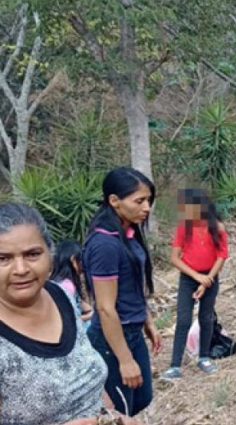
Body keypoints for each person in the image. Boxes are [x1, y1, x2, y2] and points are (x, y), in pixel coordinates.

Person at [0, 203, 140, 425]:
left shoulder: (60, 296)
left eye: (32, 254)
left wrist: (112, 417)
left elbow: (87, 375)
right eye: (3, 259)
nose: (21, 269)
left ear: (50, 255)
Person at [83, 167, 161, 416]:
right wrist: (125, 360)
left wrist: (146, 320)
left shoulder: (128, 234)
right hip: (112, 339)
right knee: (120, 411)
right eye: (139, 201)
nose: (147, 207)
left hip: (132, 330)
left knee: (141, 398)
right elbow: (105, 308)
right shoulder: (104, 244)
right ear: (114, 201)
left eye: (148, 200)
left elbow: (134, 284)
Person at [162, 188, 229, 380]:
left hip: (210, 277)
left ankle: (204, 357)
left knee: (206, 318)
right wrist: (197, 277)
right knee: (183, 319)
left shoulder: (217, 227)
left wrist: (207, 279)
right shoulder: (185, 228)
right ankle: (175, 365)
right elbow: (175, 258)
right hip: (188, 278)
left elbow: (221, 256)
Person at [51, 240, 93, 327]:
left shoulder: (58, 282)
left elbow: (80, 303)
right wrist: (90, 316)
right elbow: (69, 320)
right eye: (81, 260)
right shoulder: (67, 286)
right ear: (74, 260)